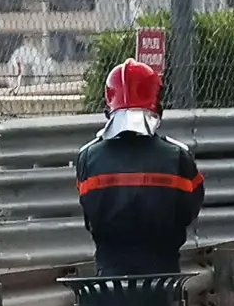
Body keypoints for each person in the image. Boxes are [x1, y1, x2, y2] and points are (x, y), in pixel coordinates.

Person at [73, 56, 202, 275]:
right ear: (156, 104)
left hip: (109, 277)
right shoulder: (178, 157)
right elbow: (189, 210)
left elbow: (89, 214)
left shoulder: (87, 158)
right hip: (164, 276)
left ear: (109, 105)